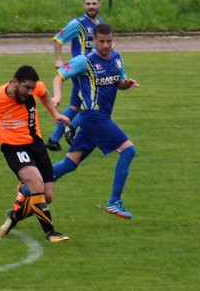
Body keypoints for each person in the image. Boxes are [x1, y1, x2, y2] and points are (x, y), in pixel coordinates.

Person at [0, 65, 70, 243]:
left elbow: (44, 93)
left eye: (32, 88)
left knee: (47, 196)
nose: (30, 92)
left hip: (36, 145)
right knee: (36, 184)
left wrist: (55, 114)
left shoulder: (35, 88)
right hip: (14, 148)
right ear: (15, 82)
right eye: (26, 88)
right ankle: (51, 233)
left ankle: (14, 216)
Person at [52, 23, 140, 219]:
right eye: (101, 41)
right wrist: (57, 96)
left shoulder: (117, 58)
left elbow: (119, 83)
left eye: (109, 41)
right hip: (93, 116)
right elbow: (59, 76)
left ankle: (29, 188)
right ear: (94, 41)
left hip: (99, 118)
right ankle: (114, 202)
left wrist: (126, 84)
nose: (106, 45)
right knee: (128, 151)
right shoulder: (85, 61)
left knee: (70, 163)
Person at [45, 0, 104, 152]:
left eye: (94, 3)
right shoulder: (78, 24)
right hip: (83, 72)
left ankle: (53, 140)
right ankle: (71, 129)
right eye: (88, 4)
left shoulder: (100, 24)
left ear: (99, 5)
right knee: (92, 105)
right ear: (83, 5)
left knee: (76, 106)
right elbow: (58, 39)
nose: (91, 7)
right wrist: (58, 59)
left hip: (95, 72)